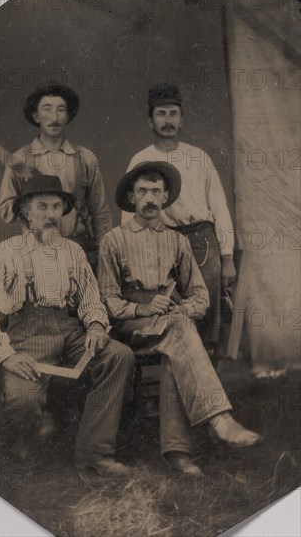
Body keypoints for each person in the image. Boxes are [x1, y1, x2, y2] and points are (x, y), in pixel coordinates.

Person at [99, 161, 261, 477]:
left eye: (156, 191)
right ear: (131, 198)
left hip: (171, 326)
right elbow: (107, 301)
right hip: (131, 329)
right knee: (181, 333)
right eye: (142, 191)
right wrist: (141, 310)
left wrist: (180, 310)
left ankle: (177, 454)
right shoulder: (113, 240)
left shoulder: (178, 241)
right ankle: (219, 419)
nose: (149, 198)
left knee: (178, 339)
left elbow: (200, 297)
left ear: (166, 197)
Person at [0, 174, 134, 477]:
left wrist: (96, 327)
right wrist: (7, 355)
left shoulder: (73, 252)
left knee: (118, 355)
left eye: (56, 206)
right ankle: (19, 458)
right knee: (23, 400)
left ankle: (94, 453)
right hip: (26, 338)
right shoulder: (7, 252)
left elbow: (90, 299)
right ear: (26, 210)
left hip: (69, 333)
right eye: (42, 206)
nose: (51, 214)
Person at [122, 84, 236, 353]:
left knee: (206, 311)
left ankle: (208, 383)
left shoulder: (199, 157)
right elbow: (129, 213)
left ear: (182, 119)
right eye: (161, 114)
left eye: (173, 114)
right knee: (169, 313)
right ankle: (176, 383)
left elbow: (220, 208)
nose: (168, 120)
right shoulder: (141, 160)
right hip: (162, 243)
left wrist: (228, 258)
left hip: (202, 243)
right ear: (150, 120)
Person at [0, 83, 112, 266]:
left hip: (79, 246)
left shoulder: (85, 158)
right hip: (35, 249)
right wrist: (29, 198)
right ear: (36, 116)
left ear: (67, 116)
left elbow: (100, 212)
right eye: (47, 109)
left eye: (61, 110)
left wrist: (104, 253)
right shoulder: (21, 159)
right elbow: (5, 210)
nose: (54, 117)